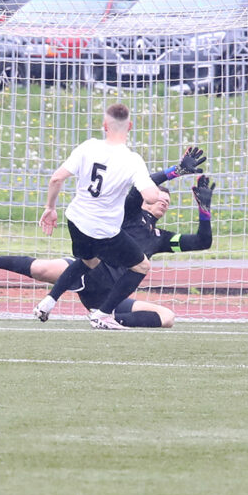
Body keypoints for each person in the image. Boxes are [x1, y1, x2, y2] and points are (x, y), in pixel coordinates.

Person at [0, 149, 215, 328]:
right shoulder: (128, 213)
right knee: (40, 268)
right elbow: (139, 186)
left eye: (168, 201)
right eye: (159, 197)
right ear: (146, 198)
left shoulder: (161, 238)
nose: (163, 202)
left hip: (108, 296)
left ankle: (107, 318)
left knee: (168, 317)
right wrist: (175, 171)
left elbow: (202, 242)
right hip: (90, 269)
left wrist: (205, 211)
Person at [33, 102, 160, 330]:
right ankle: (103, 314)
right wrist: (154, 188)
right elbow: (151, 198)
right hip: (104, 230)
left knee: (89, 261)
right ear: (130, 126)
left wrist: (50, 208)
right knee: (141, 266)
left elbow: (56, 179)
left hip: (76, 220)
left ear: (105, 125)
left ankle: (48, 302)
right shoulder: (132, 160)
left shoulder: (88, 146)